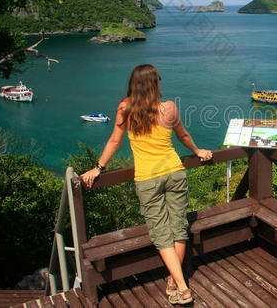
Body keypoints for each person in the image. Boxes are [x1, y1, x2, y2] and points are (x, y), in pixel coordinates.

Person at [81, 64, 212, 305]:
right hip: (174, 173)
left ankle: (181, 286)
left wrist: (98, 168)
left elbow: (114, 141)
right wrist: (197, 151)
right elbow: (182, 136)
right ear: (154, 84)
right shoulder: (169, 108)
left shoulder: (125, 108)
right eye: (159, 80)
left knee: (162, 234)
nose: (162, 83)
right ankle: (175, 283)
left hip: (148, 179)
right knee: (179, 228)